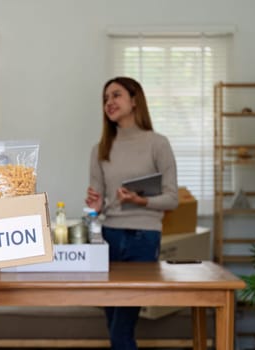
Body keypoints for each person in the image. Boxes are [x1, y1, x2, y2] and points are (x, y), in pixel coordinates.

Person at [85, 76, 178, 350]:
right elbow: (98, 202)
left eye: (116, 95)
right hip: (108, 237)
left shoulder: (157, 144)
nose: (109, 103)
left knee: (121, 329)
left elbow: (172, 199)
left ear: (135, 100)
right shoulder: (100, 148)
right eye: (105, 99)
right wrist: (95, 203)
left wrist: (140, 200)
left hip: (143, 238)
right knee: (114, 322)